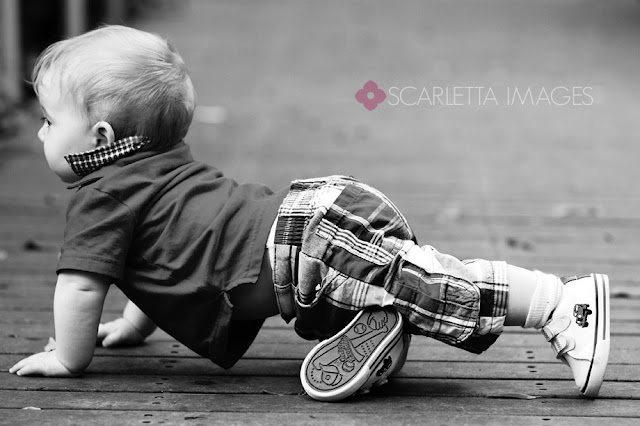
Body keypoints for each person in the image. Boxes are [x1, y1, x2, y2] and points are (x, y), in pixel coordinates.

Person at [9, 25, 610, 401]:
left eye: (48, 121)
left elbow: (81, 286)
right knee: (397, 291)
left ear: (101, 137)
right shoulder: (152, 173)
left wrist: (69, 356)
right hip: (310, 233)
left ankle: (559, 301)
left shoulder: (100, 197)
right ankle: (375, 323)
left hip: (307, 245)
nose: (39, 133)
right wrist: (136, 326)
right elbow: (160, 259)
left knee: (432, 289)